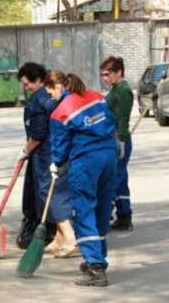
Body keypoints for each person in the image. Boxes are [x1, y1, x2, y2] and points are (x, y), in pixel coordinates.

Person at [49, 72, 117, 286]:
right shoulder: (97, 96)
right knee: (102, 209)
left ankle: (95, 268)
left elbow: (60, 146)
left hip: (86, 161)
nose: (50, 96)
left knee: (84, 209)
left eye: (50, 90)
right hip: (109, 156)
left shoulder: (60, 112)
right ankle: (97, 258)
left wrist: (56, 164)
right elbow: (110, 120)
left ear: (59, 87)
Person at [16, 62, 76, 257]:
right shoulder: (47, 97)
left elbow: (39, 133)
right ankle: (58, 239)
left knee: (52, 195)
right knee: (51, 194)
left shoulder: (40, 100)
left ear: (39, 80)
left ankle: (69, 237)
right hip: (53, 152)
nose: (27, 88)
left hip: (47, 154)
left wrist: (25, 151)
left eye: (28, 84)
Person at [100, 56, 134, 231]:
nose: (105, 78)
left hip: (119, 141)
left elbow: (122, 118)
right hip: (115, 139)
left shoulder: (123, 90)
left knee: (113, 180)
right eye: (103, 75)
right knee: (120, 179)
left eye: (108, 74)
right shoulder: (116, 89)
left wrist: (120, 142)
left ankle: (106, 217)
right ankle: (124, 215)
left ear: (118, 72)